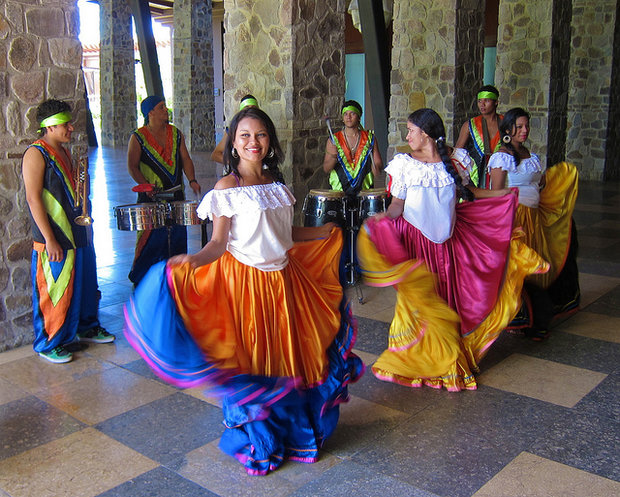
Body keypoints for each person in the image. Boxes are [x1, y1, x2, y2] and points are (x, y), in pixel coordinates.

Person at [124, 106, 364, 475]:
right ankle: (259, 438)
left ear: (270, 142)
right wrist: (194, 259)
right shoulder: (227, 188)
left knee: (288, 359)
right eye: (245, 136)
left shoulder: (277, 185)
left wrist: (325, 232)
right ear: (233, 144)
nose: (254, 142)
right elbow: (218, 244)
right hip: (246, 286)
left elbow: (286, 236)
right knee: (255, 363)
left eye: (261, 135)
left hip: (283, 285)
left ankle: (291, 432)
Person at [356, 108, 548, 390]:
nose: (407, 135)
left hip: (448, 248)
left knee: (448, 304)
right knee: (420, 307)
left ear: (427, 134)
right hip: (417, 245)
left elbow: (471, 194)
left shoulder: (455, 162)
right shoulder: (405, 164)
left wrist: (505, 194)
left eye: (411, 130)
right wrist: (384, 218)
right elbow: (398, 205)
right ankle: (417, 361)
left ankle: (446, 361)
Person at [22, 99, 115, 364]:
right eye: (65, 124)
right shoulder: (35, 153)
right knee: (55, 289)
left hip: (78, 234)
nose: (71, 128)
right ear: (49, 127)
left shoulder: (64, 151)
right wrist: (49, 239)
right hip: (54, 237)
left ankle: (86, 327)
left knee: (85, 284)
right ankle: (49, 341)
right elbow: (33, 198)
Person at [488, 107, 579, 339]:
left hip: (535, 218)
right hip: (516, 219)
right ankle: (526, 318)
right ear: (507, 129)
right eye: (519, 127)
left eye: (526, 126)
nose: (524, 130)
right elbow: (496, 191)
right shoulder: (502, 156)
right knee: (521, 267)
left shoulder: (530, 155)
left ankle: (537, 318)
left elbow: (537, 185)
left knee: (539, 264)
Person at [126, 95, 201, 285]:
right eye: (161, 107)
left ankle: (176, 275)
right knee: (150, 237)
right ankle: (145, 278)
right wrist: (145, 185)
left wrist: (192, 180)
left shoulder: (175, 134)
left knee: (176, 234)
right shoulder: (138, 137)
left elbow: (186, 159)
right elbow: (132, 166)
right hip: (151, 197)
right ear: (150, 112)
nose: (165, 110)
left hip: (175, 194)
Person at [322, 100, 383, 195]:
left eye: (352, 113)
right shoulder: (333, 140)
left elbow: (378, 163)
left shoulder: (370, 138)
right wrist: (333, 157)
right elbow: (326, 169)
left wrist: (376, 168)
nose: (348, 117)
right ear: (342, 118)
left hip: (364, 192)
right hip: (339, 193)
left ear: (359, 117)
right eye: (345, 114)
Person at [455, 85, 503, 188]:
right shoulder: (469, 125)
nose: (482, 104)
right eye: (479, 101)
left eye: (487, 101)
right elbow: (457, 153)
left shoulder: (505, 123)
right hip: (476, 176)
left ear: (496, 102)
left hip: (501, 174)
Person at [210, 94, 259, 164]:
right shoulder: (232, 129)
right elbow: (215, 155)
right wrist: (237, 165)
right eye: (246, 108)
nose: (250, 111)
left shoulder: (265, 128)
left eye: (253, 108)